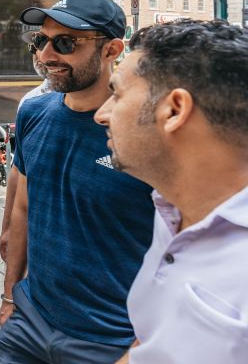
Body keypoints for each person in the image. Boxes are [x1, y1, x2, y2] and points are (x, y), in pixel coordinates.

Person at [0, 0, 155, 364]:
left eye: (65, 42)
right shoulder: (33, 111)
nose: (47, 56)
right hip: (30, 321)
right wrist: (9, 297)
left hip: (111, 339)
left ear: (112, 50)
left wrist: (139, 349)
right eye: (41, 40)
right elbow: (22, 207)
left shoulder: (146, 132)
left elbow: (181, 247)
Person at [95, 19, 248, 364]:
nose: (102, 115)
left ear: (175, 110)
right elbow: (150, 342)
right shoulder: (170, 210)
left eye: (117, 93)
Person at [0, 46, 52, 261]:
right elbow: (18, 171)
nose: (41, 54)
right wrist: (7, 227)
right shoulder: (30, 102)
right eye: (37, 46)